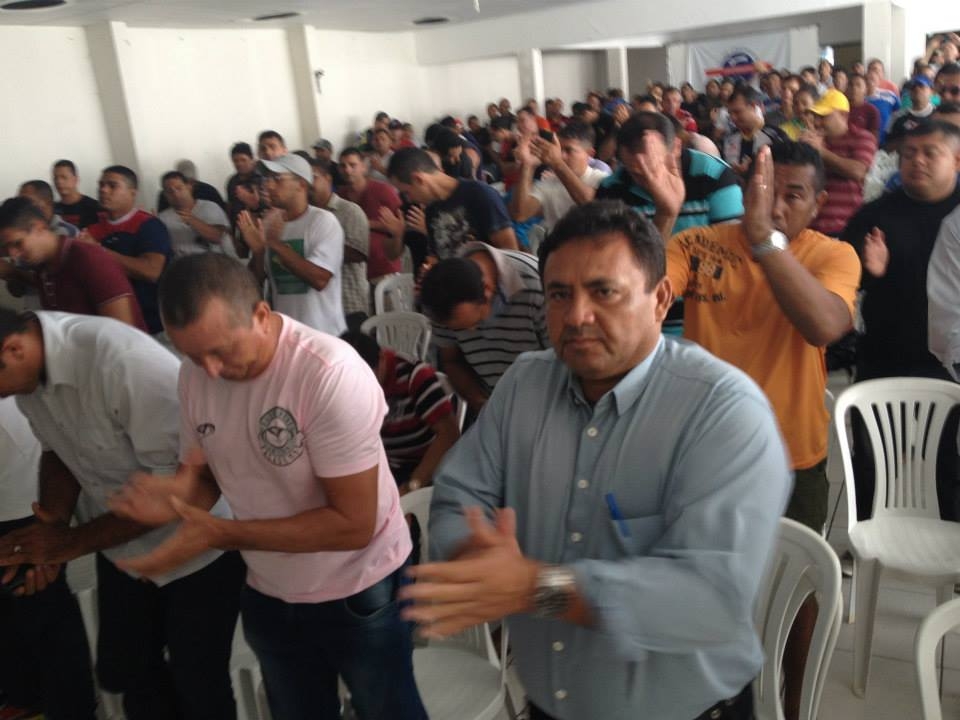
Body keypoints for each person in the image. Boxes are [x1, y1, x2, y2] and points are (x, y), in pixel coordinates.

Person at [404, 200, 791, 720]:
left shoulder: (722, 411)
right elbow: (460, 493)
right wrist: (477, 555)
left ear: (660, 299)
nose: (576, 316)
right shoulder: (524, 384)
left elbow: (709, 600)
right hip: (548, 703)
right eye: (559, 294)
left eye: (603, 291)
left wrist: (533, 588)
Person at [108, 253, 427, 720]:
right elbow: (205, 476)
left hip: (359, 588)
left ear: (261, 315)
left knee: (387, 709)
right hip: (270, 588)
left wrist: (224, 534)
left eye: (221, 351)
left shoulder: (326, 372)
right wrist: (174, 500)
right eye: (193, 356)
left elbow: (353, 525)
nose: (210, 370)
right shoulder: (195, 376)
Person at [666, 143, 860, 719]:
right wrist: (663, 213)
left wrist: (764, 243)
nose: (774, 207)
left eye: (792, 195)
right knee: (701, 586)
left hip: (792, 454)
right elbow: (644, 298)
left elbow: (823, 324)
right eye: (765, 191)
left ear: (818, 204)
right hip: (703, 455)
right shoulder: (698, 244)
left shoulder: (832, 253)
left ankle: (792, 706)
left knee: (796, 594)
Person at [0, 309, 243, 720]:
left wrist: (68, 544)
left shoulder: (118, 361)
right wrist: (52, 527)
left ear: (13, 349)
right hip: (122, 545)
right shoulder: (29, 378)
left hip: (198, 546)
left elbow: (183, 493)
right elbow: (56, 451)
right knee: (128, 672)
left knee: (199, 683)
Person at [842, 120, 960, 520]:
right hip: (886, 354)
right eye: (909, 153)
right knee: (872, 456)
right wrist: (868, 270)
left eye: (930, 153)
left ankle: (949, 541)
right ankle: (866, 537)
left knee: (947, 460)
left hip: (949, 361)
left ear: (956, 160)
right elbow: (842, 280)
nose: (916, 161)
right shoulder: (875, 216)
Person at [0, 395, 98, 720]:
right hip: (16, 478)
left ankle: (72, 709)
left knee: (38, 600)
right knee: (12, 611)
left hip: (20, 492)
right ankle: (23, 696)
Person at [418, 241, 547, 417]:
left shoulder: (537, 287)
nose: (472, 332)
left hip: (547, 403)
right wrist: (482, 405)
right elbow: (452, 361)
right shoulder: (440, 297)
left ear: (488, 290)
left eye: (477, 322)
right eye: (460, 330)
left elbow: (564, 363)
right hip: (496, 406)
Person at [237, 153, 346, 337]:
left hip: (322, 334)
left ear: (301, 184)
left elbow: (320, 279)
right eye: (267, 179)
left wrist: (274, 243)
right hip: (287, 335)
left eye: (277, 179)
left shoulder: (322, 221)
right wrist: (258, 251)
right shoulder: (270, 223)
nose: (269, 185)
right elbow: (256, 283)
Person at [0, 198, 146, 330]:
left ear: (39, 227)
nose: (13, 254)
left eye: (17, 243)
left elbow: (123, 333)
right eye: (7, 247)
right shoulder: (43, 266)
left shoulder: (89, 259)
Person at [340, 331, 460, 492]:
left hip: (426, 467)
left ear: (382, 359)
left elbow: (449, 434)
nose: (361, 391)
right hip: (386, 467)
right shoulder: (342, 384)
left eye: (366, 381)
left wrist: (412, 486)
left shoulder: (414, 375)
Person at [596, 112, 743, 240]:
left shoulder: (715, 175)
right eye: (637, 174)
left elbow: (729, 249)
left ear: (676, 147)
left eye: (655, 167)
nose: (650, 180)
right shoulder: (611, 189)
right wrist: (665, 215)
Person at [82, 165, 173, 336]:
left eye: (112, 186)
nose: (103, 190)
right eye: (101, 185)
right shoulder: (91, 230)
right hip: (112, 323)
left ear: (132, 192)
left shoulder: (149, 225)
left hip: (154, 322)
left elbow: (151, 271)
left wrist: (99, 251)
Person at [386, 147, 518, 260]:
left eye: (406, 192)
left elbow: (510, 253)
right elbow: (440, 255)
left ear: (418, 179)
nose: (409, 199)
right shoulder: (432, 210)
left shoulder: (479, 194)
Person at [509, 121, 610, 232]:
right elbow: (520, 214)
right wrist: (527, 165)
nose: (561, 156)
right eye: (559, 150)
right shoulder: (548, 183)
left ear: (590, 154)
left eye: (569, 150)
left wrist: (557, 163)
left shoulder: (602, 179)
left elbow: (592, 205)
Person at [802, 89, 877, 236]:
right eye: (816, 116)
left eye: (824, 116)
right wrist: (803, 150)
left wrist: (821, 152)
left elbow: (858, 171)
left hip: (844, 227)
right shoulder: (813, 141)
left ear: (843, 115)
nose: (817, 122)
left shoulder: (862, 137)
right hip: (810, 227)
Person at [310, 157, 371, 320]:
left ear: (327, 178)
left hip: (347, 302)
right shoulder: (304, 216)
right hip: (317, 306)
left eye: (313, 177)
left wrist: (314, 245)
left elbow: (358, 253)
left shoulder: (349, 211)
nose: (308, 184)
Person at [338, 147, 405, 286]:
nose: (347, 170)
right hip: (353, 272)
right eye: (343, 166)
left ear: (363, 167)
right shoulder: (340, 196)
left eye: (352, 165)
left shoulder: (383, 190)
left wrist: (366, 223)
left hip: (384, 268)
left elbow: (400, 224)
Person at [158, 171, 233, 258]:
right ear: (165, 195)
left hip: (212, 260)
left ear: (189, 187)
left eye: (179, 188)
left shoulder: (210, 207)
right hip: (181, 263)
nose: (175, 194)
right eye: (170, 191)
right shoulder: (162, 218)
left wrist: (191, 220)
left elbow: (217, 237)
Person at [722, 85, 788, 179]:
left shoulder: (776, 136)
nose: (733, 118)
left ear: (753, 106)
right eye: (730, 113)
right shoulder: (728, 139)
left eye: (737, 112)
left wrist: (751, 171)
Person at [51, 160, 100, 229]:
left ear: (76, 179)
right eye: (55, 178)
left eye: (64, 177)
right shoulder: (53, 210)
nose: (59, 181)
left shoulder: (94, 208)